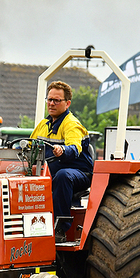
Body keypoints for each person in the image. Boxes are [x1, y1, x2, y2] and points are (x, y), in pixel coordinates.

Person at [30, 81, 93, 243]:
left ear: (67, 103)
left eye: (56, 100)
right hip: (51, 172)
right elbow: (30, 147)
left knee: (62, 176)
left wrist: (63, 150)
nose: (51, 103)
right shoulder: (43, 125)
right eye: (49, 99)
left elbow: (74, 148)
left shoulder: (71, 124)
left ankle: (60, 227)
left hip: (79, 173)